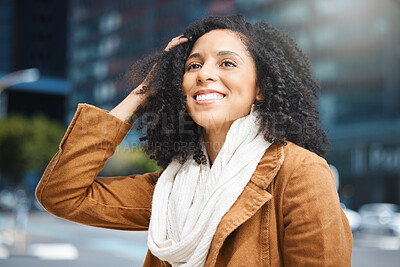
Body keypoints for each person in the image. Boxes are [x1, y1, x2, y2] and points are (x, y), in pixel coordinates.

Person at [36, 14, 353, 266]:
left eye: (227, 63)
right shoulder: (169, 188)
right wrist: (141, 94)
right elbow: (61, 195)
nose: (204, 74)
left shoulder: (300, 172)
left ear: (261, 87)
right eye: (193, 65)